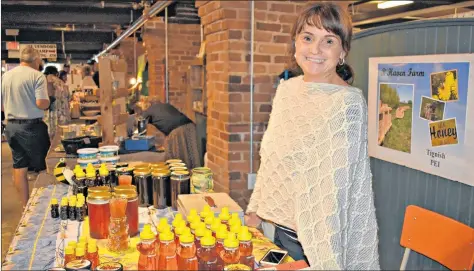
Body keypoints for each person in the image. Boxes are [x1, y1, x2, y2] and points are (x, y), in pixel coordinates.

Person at [245, 3, 380, 269]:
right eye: (307, 38)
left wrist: (314, 261)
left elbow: (336, 193)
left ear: (342, 51)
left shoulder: (347, 104)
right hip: (280, 232)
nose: (315, 50)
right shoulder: (287, 90)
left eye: (328, 41)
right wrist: (255, 210)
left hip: (317, 244)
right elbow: (271, 158)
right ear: (295, 43)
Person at [1, 46, 50, 208]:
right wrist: (49, 100)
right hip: (32, 127)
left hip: (11, 127)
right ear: (36, 60)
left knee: (20, 166)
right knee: (43, 167)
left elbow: (2, 106)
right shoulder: (37, 76)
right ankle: (43, 206)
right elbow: (41, 103)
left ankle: (26, 206)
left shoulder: (6, 76)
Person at [134, 97, 201, 169]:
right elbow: (167, 120)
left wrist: (136, 133)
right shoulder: (166, 105)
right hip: (191, 127)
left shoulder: (148, 111)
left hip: (177, 131)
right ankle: (196, 176)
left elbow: (139, 123)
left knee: (175, 158)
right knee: (192, 155)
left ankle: (180, 177)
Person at [44, 66, 71, 138]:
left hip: (51, 111)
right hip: (63, 112)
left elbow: (48, 96)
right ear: (56, 73)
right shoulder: (61, 82)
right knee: (62, 135)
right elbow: (69, 97)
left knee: (52, 136)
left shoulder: (46, 80)